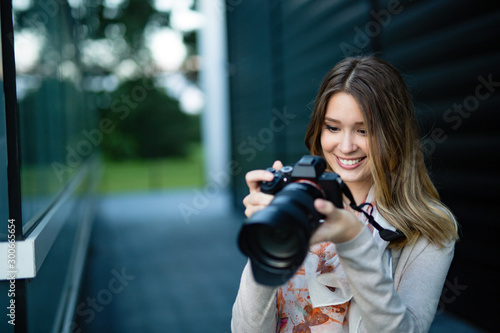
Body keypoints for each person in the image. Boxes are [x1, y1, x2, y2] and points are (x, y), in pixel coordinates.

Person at [231, 56, 459, 333]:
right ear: (319, 129)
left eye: (364, 130)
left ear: (394, 134)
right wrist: (265, 234)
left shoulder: (430, 227)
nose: (346, 146)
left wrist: (353, 242)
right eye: (333, 127)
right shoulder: (295, 200)